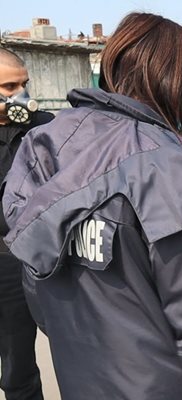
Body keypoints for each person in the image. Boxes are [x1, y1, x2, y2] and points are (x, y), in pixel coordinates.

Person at [2, 13, 182, 399]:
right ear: (177, 81)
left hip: (82, 375)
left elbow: (36, 280)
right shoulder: (172, 166)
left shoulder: (45, 143)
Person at [0, 47, 52, 400]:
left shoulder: (47, 129)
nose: (21, 95)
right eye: (9, 87)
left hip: (26, 260)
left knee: (20, 367)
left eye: (24, 84)